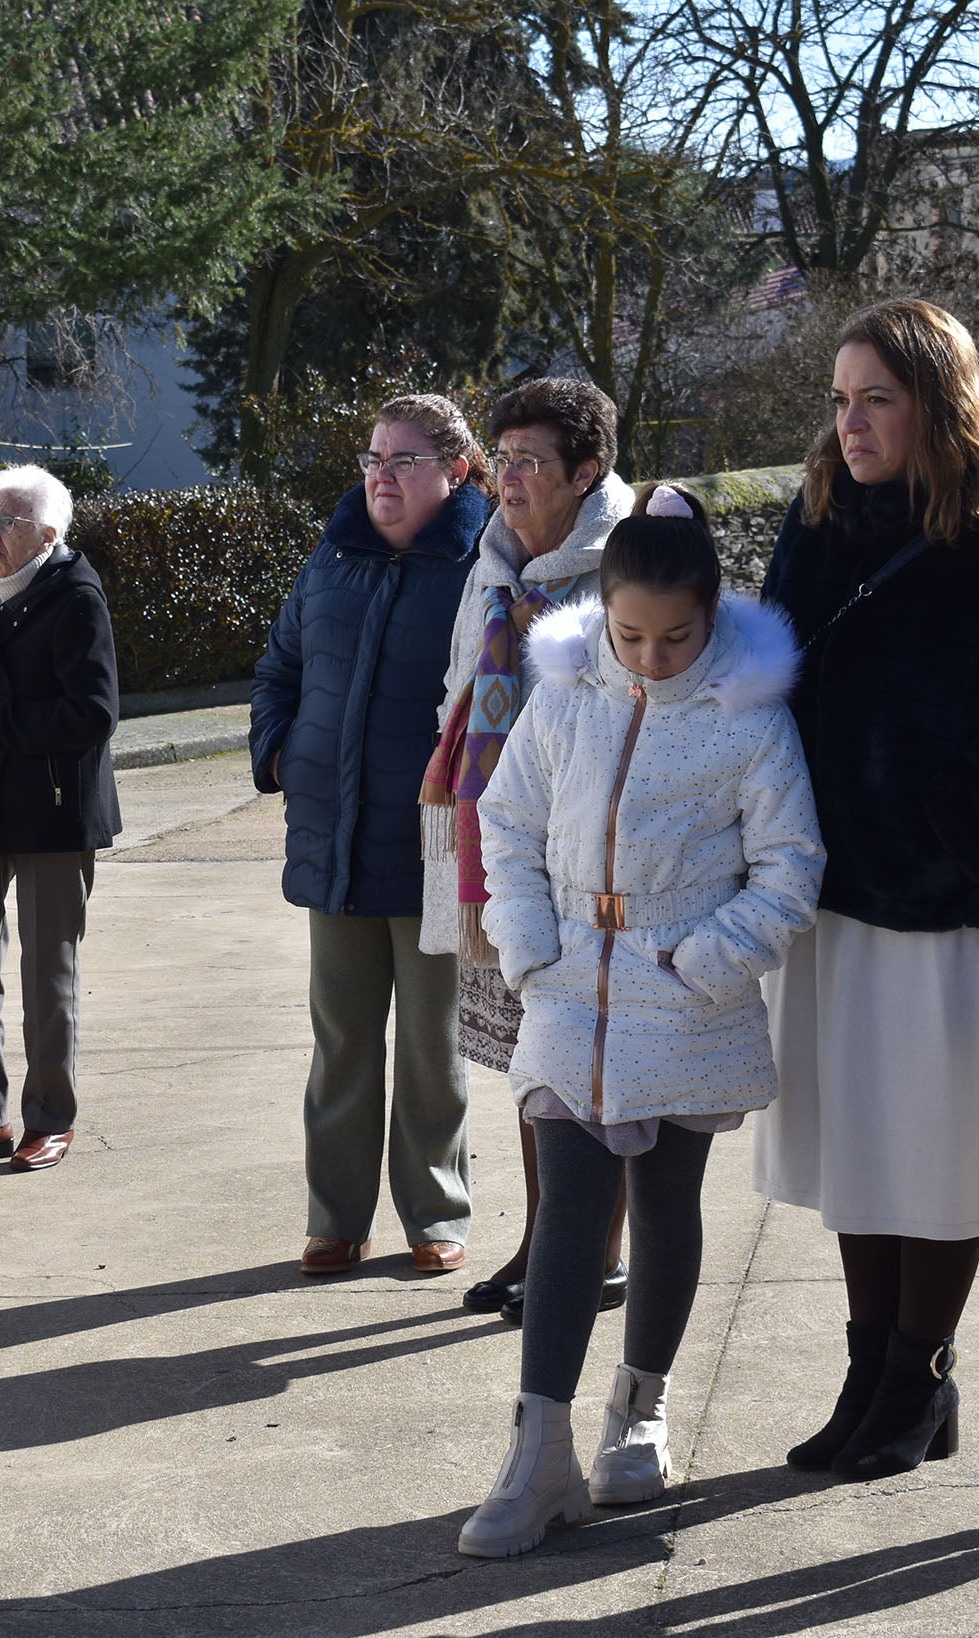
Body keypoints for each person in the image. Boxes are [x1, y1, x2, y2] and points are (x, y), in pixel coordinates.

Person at [754, 298, 979, 1480]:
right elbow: (765, 684)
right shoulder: (816, 522)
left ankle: (920, 1379)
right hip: (833, 892)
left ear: (938, 403)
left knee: (936, 1150)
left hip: (955, 909)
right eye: (840, 399)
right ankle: (872, 1378)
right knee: (859, 1146)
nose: (850, 422)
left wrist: (946, 840)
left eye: (877, 398)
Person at [456, 483, 823, 1557]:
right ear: (601, 615)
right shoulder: (564, 694)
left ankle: (642, 1408)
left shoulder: (750, 719)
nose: (651, 658)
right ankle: (538, 1455)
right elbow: (507, 816)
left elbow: (790, 868)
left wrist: (703, 959)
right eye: (629, 635)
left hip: (683, 996)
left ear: (712, 618)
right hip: (568, 983)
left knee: (667, 1200)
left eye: (677, 638)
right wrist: (528, 942)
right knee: (570, 1206)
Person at [251, 393, 486, 1277]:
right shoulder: (331, 558)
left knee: (435, 1046)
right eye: (372, 460)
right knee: (341, 1042)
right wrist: (279, 755)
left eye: (403, 461)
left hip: (431, 850)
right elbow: (279, 668)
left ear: (455, 470)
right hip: (334, 841)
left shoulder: (480, 564)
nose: (381, 478)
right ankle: (335, 1219)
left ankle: (435, 1216)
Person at [420, 378, 636, 1326]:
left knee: (594, 1064)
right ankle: (548, 1235)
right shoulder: (494, 560)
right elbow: (461, 685)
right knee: (525, 1054)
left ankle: (597, 1250)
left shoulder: (626, 563)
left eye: (529, 462)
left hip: (589, 865)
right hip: (498, 855)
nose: (505, 478)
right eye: (499, 458)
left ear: (587, 472)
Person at [0, 464, 122, 1174]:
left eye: (7, 522)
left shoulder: (75, 598)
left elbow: (95, 714)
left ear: (48, 535)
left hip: (52, 809)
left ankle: (49, 1120)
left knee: (47, 974)